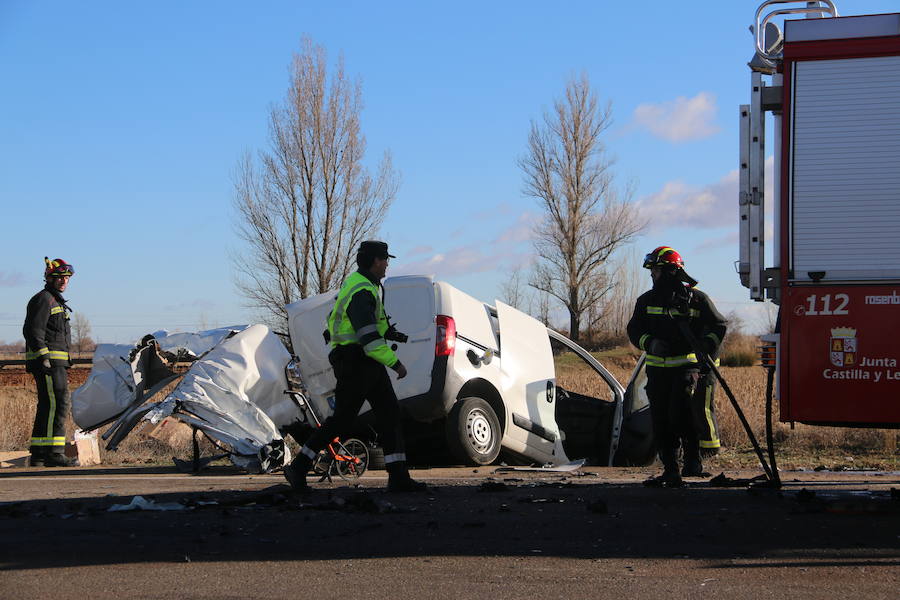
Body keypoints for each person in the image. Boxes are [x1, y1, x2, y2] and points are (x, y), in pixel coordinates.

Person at [283, 240, 426, 493]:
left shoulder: (359, 284)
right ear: (374, 261)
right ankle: (299, 466)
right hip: (357, 361)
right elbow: (369, 340)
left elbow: (364, 327)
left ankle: (399, 477)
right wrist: (396, 364)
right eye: (384, 260)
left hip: (360, 361)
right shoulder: (362, 290)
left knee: (388, 414)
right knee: (343, 421)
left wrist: (388, 332)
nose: (387, 265)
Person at [627, 246, 726, 487]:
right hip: (657, 371)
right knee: (661, 419)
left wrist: (704, 347)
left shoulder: (697, 300)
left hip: (686, 369)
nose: (653, 276)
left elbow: (719, 326)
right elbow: (634, 330)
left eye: (657, 271)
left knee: (680, 415)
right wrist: (650, 343)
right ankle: (670, 469)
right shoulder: (646, 301)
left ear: (671, 271)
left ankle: (693, 461)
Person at [23, 257, 79, 467]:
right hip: (48, 364)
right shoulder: (44, 299)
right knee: (58, 403)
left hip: (56, 363)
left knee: (48, 405)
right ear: (49, 279)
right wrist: (44, 356)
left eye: (66, 278)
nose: (63, 281)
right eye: (59, 278)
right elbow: (32, 330)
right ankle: (54, 453)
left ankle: (39, 453)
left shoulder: (55, 301)